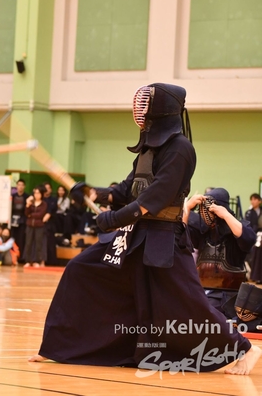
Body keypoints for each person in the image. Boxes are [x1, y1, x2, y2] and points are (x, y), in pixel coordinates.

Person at [29, 83, 261, 375]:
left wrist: (112, 219)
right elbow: (126, 190)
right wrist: (90, 192)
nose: (141, 108)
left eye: (147, 102)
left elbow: (154, 198)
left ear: (163, 108)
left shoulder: (181, 149)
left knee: (188, 305)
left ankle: (246, 348)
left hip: (164, 242)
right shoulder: (148, 148)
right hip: (136, 238)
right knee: (81, 269)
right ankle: (60, 347)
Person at [184, 188, 255, 317]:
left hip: (228, 298)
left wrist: (225, 214)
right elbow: (180, 235)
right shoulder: (203, 233)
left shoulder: (233, 233)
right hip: (202, 292)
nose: (206, 212)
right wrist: (187, 207)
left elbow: (248, 238)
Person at [23, 185, 49, 268]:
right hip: (30, 225)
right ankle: (28, 261)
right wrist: (27, 205)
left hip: (39, 226)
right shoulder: (31, 203)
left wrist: (31, 215)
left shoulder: (44, 204)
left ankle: (37, 261)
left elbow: (41, 214)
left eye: (38, 193)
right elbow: (26, 213)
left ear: (41, 194)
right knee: (28, 243)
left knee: (38, 243)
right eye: (35, 193)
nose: (36, 195)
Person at [245, 193, 262, 283]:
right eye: (251, 199)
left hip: (260, 236)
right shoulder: (249, 213)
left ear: (259, 201)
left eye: (255, 199)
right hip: (252, 236)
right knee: (253, 256)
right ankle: (254, 276)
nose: (252, 201)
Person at [10, 179, 27, 257]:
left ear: (24, 186)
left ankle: (20, 257)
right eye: (19, 185)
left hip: (22, 221)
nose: (20, 187)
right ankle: (12, 255)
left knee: (21, 239)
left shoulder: (27, 197)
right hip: (12, 220)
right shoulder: (12, 196)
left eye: (22, 185)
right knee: (12, 238)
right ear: (16, 186)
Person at [43, 182, 58, 265]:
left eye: (48, 188)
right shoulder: (41, 199)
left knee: (50, 243)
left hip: (50, 223)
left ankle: (52, 261)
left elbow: (51, 210)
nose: (47, 190)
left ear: (51, 190)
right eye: (45, 188)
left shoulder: (54, 200)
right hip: (41, 224)